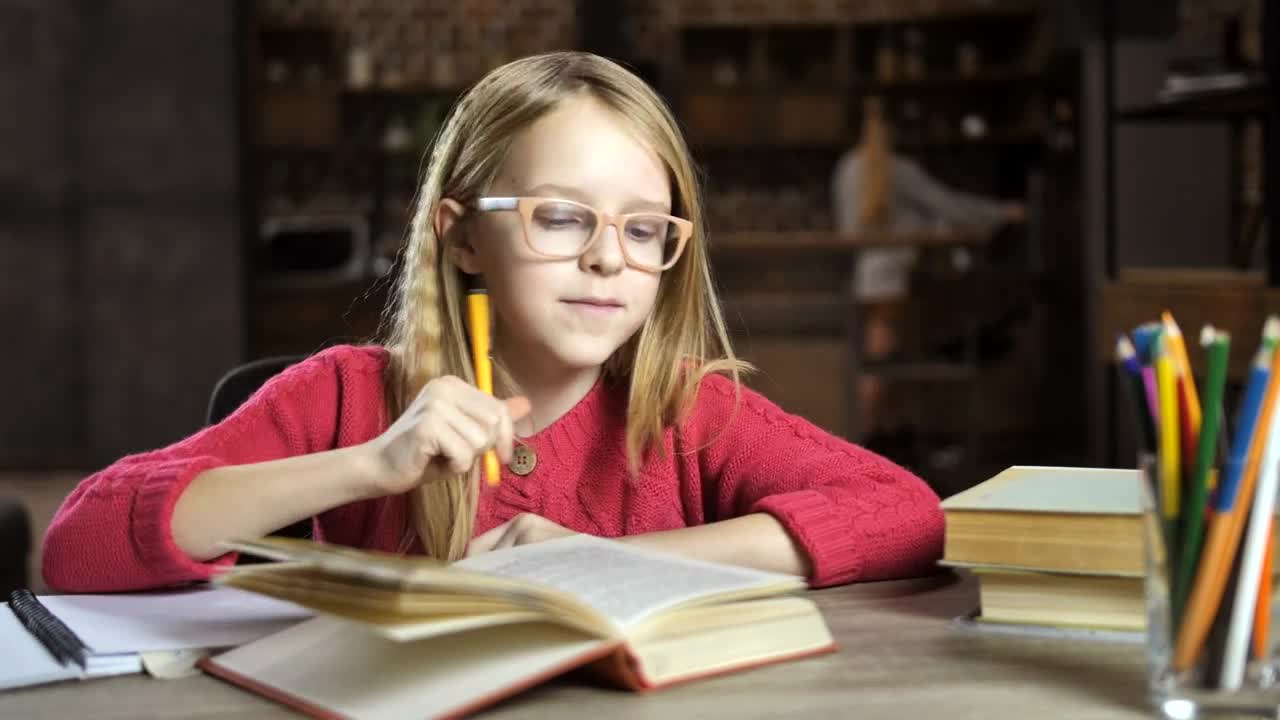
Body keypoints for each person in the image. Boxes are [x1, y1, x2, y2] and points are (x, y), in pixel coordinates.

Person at [43, 53, 943, 594]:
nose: (607, 259)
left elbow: (906, 514)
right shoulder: (348, 396)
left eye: (641, 229)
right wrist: (368, 465)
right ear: (463, 234)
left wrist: (609, 560)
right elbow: (76, 547)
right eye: (560, 217)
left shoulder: (683, 412)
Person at [832, 97, 1025, 444]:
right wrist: (1000, 213)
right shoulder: (895, 168)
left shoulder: (849, 167)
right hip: (893, 277)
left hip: (866, 275)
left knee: (879, 364)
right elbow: (948, 205)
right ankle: (861, 442)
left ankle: (878, 439)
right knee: (879, 365)